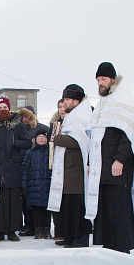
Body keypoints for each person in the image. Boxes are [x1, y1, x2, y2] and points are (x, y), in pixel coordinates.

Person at [87, 62, 134, 253]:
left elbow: (128, 136)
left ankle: (122, 246)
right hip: (102, 167)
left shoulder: (125, 101)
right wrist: (92, 161)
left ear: (113, 80)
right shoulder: (102, 103)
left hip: (117, 166)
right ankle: (109, 244)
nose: (101, 83)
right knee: (106, 208)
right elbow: (95, 137)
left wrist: (120, 159)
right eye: (98, 80)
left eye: (104, 79)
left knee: (119, 208)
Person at [48, 86, 92, 247]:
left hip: (76, 170)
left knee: (76, 205)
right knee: (67, 204)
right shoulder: (72, 116)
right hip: (67, 169)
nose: (64, 103)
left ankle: (79, 237)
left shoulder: (81, 117)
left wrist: (57, 139)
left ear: (76, 101)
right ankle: (69, 235)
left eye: (67, 100)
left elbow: (79, 141)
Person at [0, 96, 32, 241]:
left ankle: (12, 231)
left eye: (4, 107)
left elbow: (27, 143)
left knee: (13, 201)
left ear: (9, 108)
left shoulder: (18, 125)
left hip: (13, 168)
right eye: (0, 108)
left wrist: (14, 143)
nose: (2, 110)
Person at [17, 105, 48, 237]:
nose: (25, 119)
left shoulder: (41, 128)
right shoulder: (18, 128)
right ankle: (29, 225)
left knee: (41, 204)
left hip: (41, 169)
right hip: (25, 167)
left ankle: (40, 228)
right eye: (22, 116)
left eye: (27, 116)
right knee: (27, 201)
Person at [22, 131, 53, 239]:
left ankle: (47, 230)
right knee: (36, 209)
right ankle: (38, 230)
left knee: (47, 209)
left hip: (47, 184)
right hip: (33, 185)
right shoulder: (30, 152)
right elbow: (25, 169)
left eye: (43, 137)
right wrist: (24, 185)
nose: (41, 139)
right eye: (39, 137)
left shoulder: (51, 152)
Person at [48, 99, 67, 240]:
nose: (61, 109)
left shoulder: (71, 123)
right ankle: (59, 230)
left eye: (64, 106)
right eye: (59, 106)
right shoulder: (54, 125)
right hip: (55, 164)